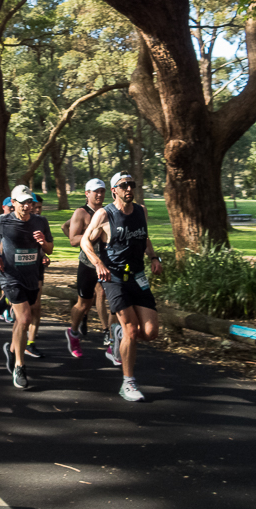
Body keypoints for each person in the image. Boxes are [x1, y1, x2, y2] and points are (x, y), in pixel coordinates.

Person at [84, 171, 163, 402]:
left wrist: (154, 257)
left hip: (138, 276)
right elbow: (84, 241)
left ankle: (116, 332)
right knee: (131, 329)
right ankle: (128, 382)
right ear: (114, 190)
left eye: (132, 184)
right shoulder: (104, 215)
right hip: (114, 278)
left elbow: (144, 236)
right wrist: (98, 263)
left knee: (149, 332)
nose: (129, 188)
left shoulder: (141, 211)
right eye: (123, 185)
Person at [0, 184, 53, 390]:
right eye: (22, 202)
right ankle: (20, 367)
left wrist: (43, 243)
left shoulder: (40, 221)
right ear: (13, 203)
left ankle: (13, 350)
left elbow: (50, 248)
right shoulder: (2, 221)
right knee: (25, 318)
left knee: (21, 321)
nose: (27, 206)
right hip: (10, 276)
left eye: (29, 202)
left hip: (32, 277)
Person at [62, 178, 115, 361]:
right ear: (87, 193)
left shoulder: (107, 211)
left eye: (102, 191)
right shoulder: (81, 213)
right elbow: (72, 239)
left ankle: (107, 332)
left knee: (102, 294)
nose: (99, 194)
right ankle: (73, 332)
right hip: (87, 263)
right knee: (84, 303)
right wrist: (92, 234)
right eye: (95, 191)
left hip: (105, 262)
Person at [24, 194, 53, 359]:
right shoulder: (19, 221)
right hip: (19, 271)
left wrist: (44, 254)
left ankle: (30, 343)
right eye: (34, 206)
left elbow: (48, 247)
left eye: (39, 208)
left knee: (36, 306)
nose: (36, 210)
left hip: (37, 269)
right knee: (24, 309)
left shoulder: (42, 222)